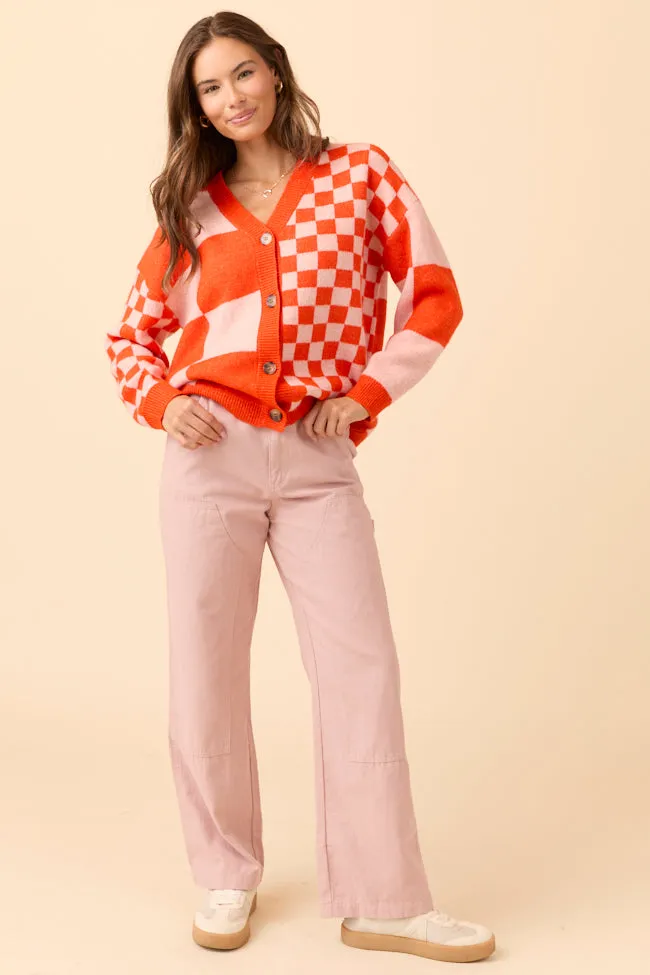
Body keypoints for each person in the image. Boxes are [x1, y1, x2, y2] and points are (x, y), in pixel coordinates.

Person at [104, 9, 496, 965]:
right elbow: (132, 336)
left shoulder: (360, 175)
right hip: (210, 461)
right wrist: (163, 403)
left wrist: (366, 391)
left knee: (362, 667)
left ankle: (385, 897)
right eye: (209, 87)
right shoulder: (191, 208)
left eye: (243, 73)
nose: (231, 97)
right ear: (196, 106)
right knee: (206, 671)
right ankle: (224, 870)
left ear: (275, 72)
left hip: (319, 464)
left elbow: (434, 295)